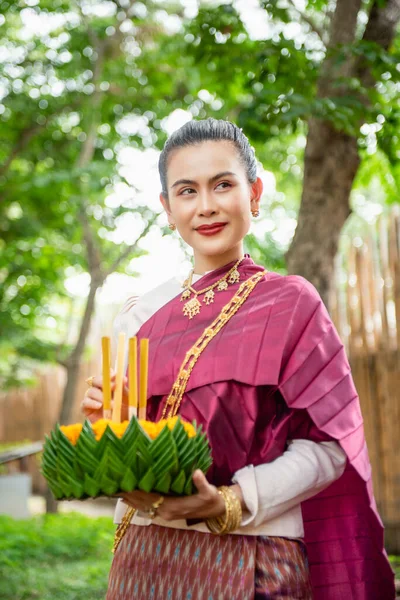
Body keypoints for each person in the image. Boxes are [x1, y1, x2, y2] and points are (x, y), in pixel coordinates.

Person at [81, 118, 395, 599]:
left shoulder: (291, 303)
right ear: (167, 208)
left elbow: (330, 448)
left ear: (254, 193)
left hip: (254, 558)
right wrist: (103, 432)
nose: (206, 206)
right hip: (144, 557)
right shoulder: (139, 316)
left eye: (222, 184)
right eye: (187, 191)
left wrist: (229, 500)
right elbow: (121, 454)